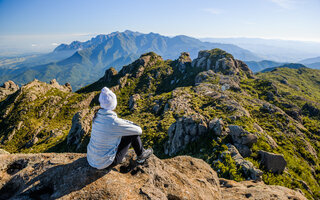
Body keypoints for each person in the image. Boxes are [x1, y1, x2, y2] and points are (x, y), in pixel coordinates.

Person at [87, 87, 153, 170]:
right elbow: (139, 131)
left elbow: (115, 123)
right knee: (132, 134)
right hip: (104, 163)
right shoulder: (114, 122)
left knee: (118, 134)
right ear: (113, 104)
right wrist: (132, 124)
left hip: (91, 159)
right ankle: (141, 155)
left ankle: (122, 155)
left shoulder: (96, 116)